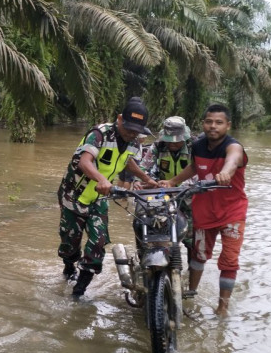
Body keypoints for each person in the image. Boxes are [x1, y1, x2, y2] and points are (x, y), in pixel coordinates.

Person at [57, 97, 157, 298]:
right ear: (119, 119)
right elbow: (85, 162)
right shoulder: (99, 134)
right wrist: (102, 179)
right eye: (128, 129)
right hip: (74, 196)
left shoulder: (134, 143)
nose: (131, 134)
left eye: (136, 131)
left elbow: (128, 162)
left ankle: (78, 294)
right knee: (70, 244)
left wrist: (146, 178)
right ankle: (69, 269)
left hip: (99, 199)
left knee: (98, 243)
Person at [158, 104, 248, 316]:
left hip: (231, 213)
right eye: (209, 122)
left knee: (229, 260)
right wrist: (172, 181)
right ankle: (191, 292)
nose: (213, 126)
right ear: (202, 124)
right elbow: (194, 167)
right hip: (204, 211)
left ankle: (222, 307)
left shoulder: (234, 146)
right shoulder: (197, 146)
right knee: (198, 255)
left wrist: (226, 172)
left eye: (218, 122)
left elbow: (233, 160)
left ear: (228, 125)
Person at [139, 116, 196, 258]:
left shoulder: (194, 146)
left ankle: (191, 268)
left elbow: (200, 170)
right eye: (169, 140)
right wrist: (142, 180)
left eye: (176, 141)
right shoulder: (158, 146)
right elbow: (144, 166)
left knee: (192, 240)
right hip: (164, 194)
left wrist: (182, 186)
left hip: (189, 195)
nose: (172, 144)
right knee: (152, 226)